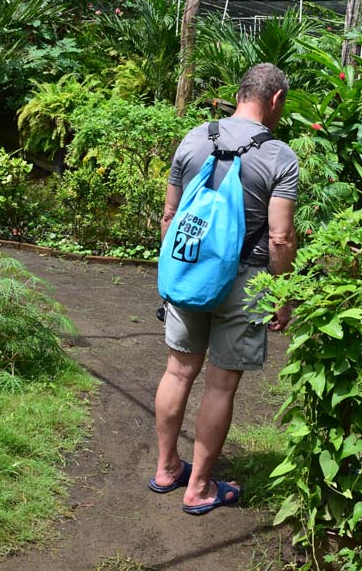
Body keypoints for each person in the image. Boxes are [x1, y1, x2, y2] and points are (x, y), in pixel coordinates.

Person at [150, 63, 298, 515]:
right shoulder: (279, 156)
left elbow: (170, 217)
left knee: (178, 372)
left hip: (189, 271)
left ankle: (166, 468)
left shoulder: (195, 137)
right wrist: (283, 293)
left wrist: (177, 276)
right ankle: (198, 489)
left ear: (240, 93)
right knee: (219, 386)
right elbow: (280, 237)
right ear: (274, 100)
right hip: (244, 280)